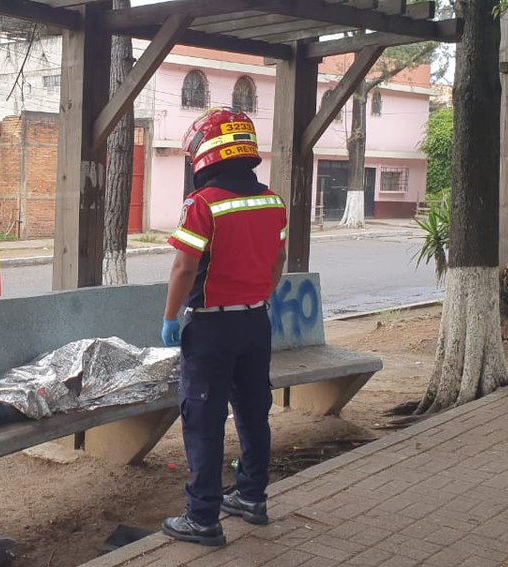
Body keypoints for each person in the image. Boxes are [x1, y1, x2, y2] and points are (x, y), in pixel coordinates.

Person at [159, 108, 288, 547]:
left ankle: (203, 519)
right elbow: (278, 261)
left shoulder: (203, 203)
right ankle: (252, 498)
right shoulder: (273, 199)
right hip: (256, 323)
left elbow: (184, 267)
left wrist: (170, 318)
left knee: (204, 420)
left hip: (212, 330)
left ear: (205, 152)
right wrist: (260, 298)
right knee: (254, 414)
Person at [0, 337, 179, 429]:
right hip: (77, 357)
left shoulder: (171, 366)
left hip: (83, 383)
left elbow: (139, 381)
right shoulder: (167, 356)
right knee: (23, 379)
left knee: (38, 395)